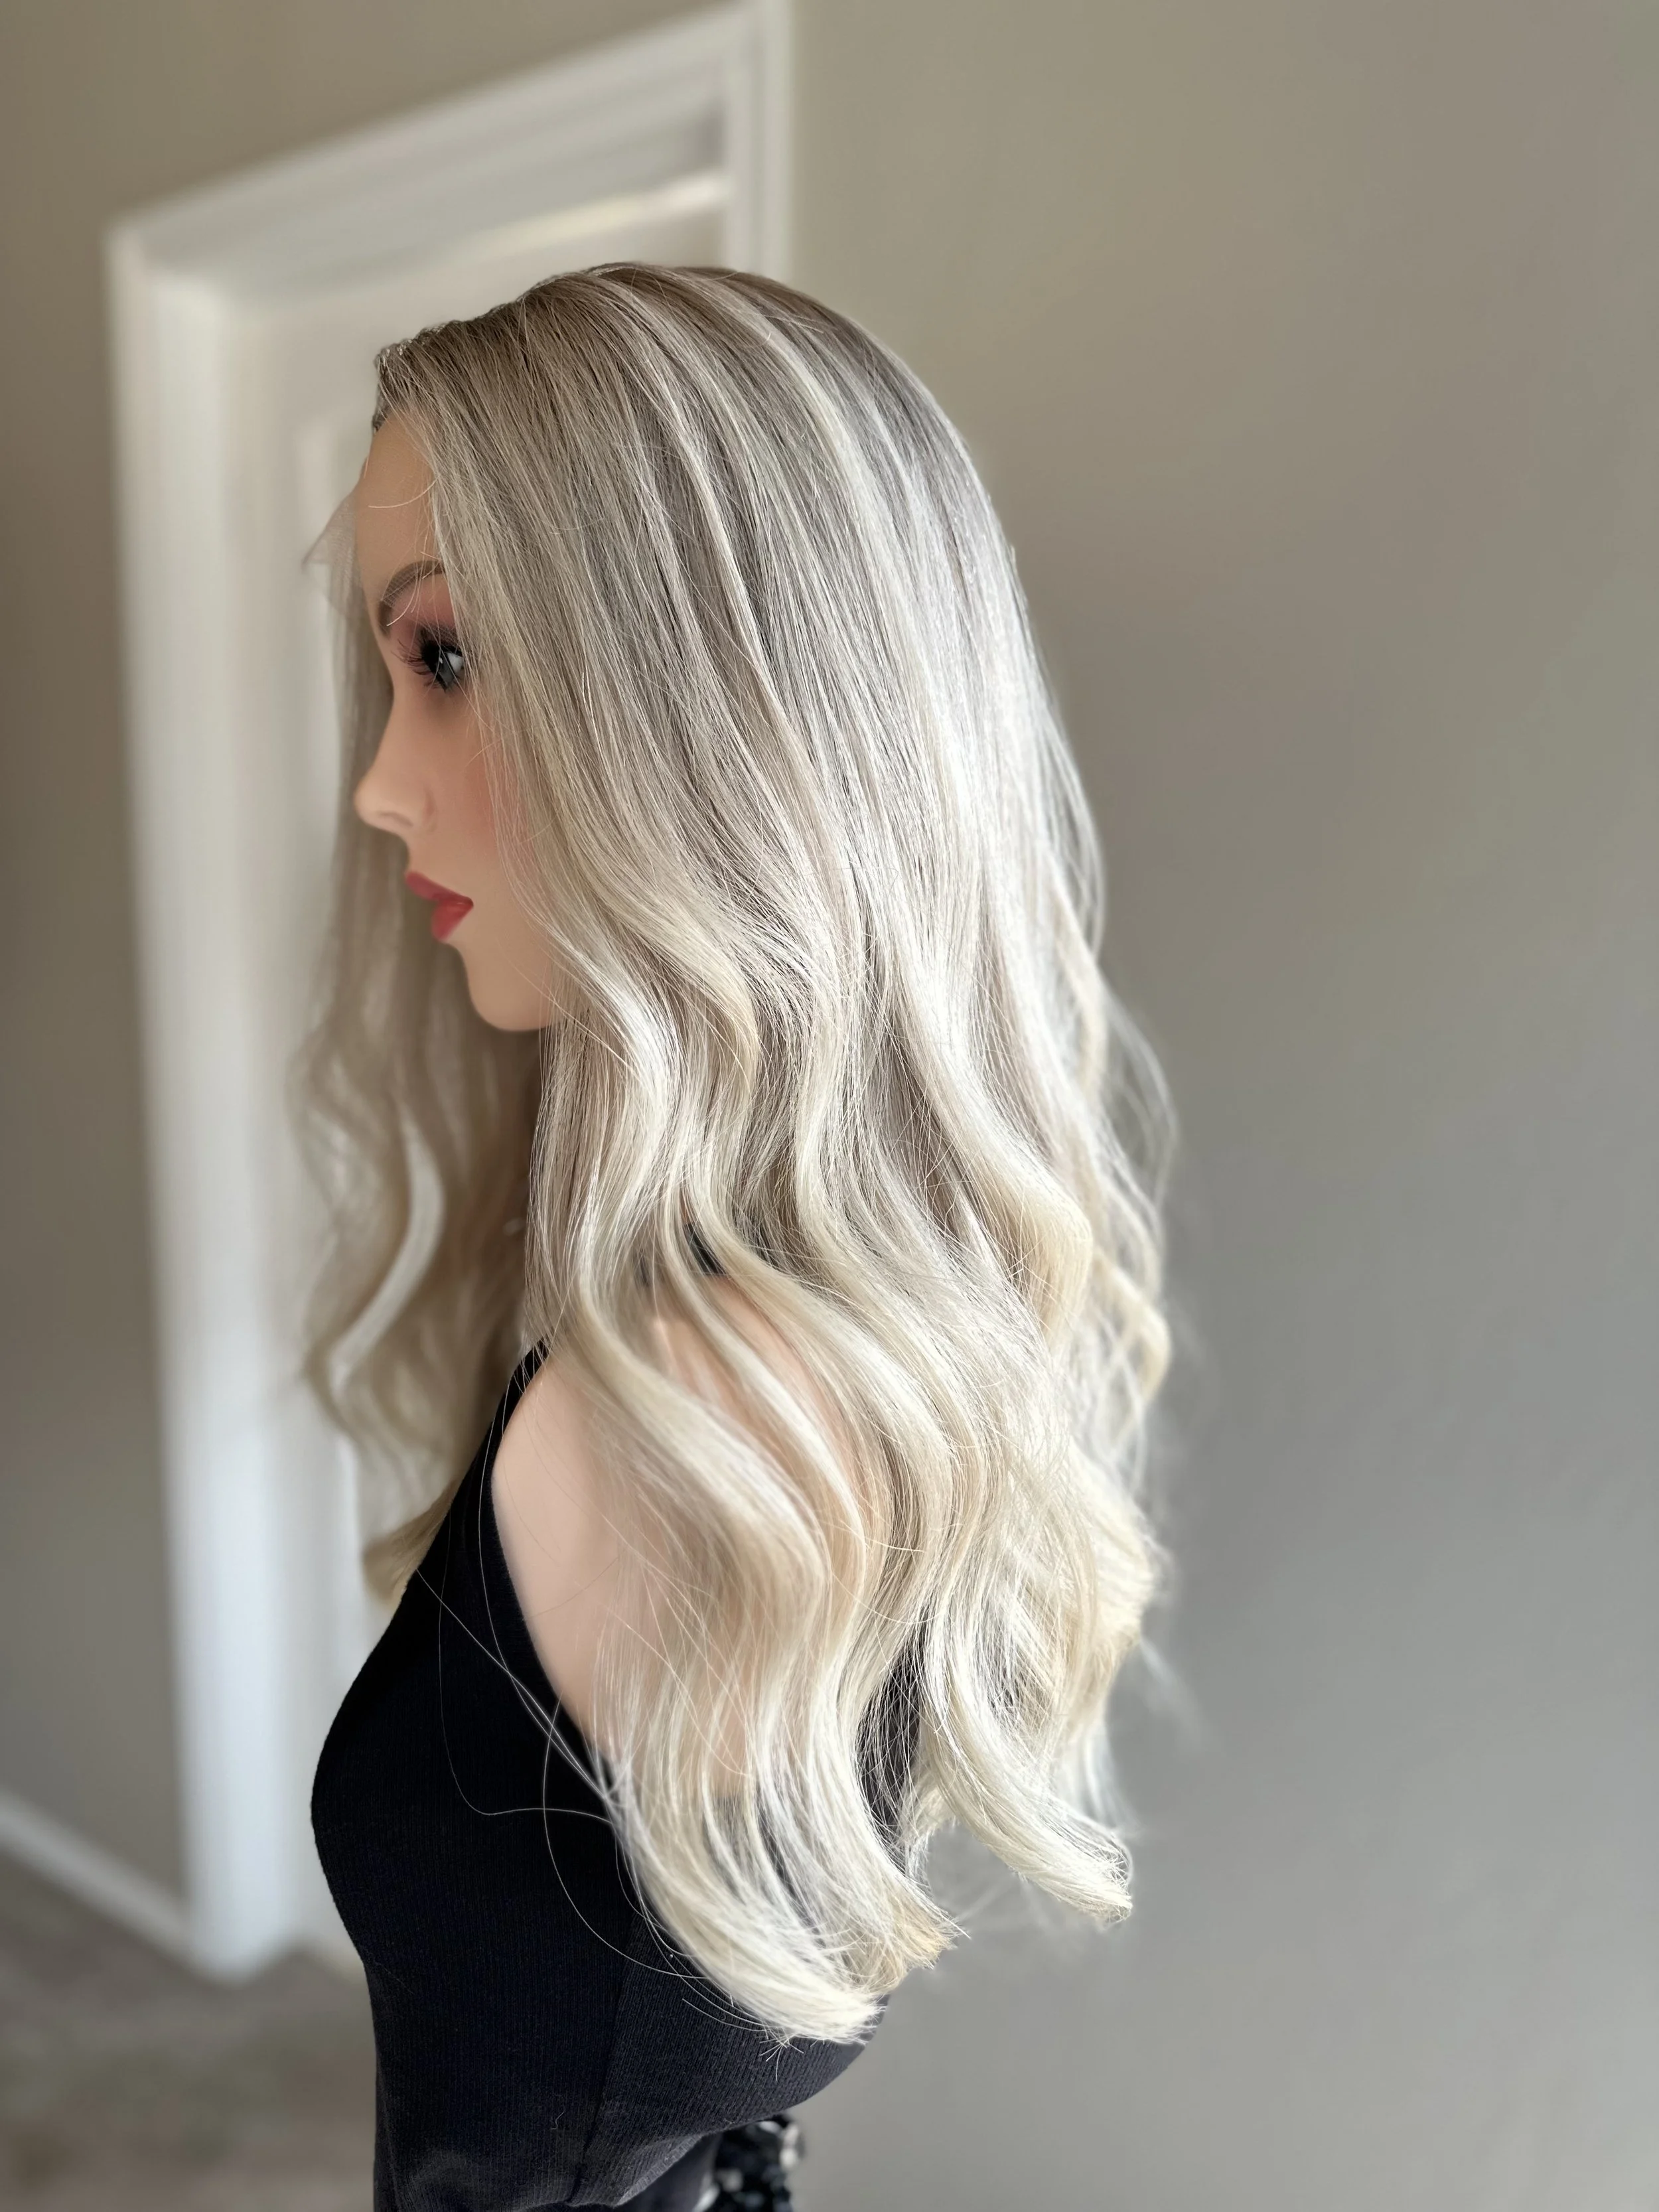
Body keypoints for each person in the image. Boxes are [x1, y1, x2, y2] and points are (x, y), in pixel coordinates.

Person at [296, 263, 1172, 2212]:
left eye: (447, 656)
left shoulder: (678, 1408)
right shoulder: (882, 1330)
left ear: (724, 705)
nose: (377, 785)